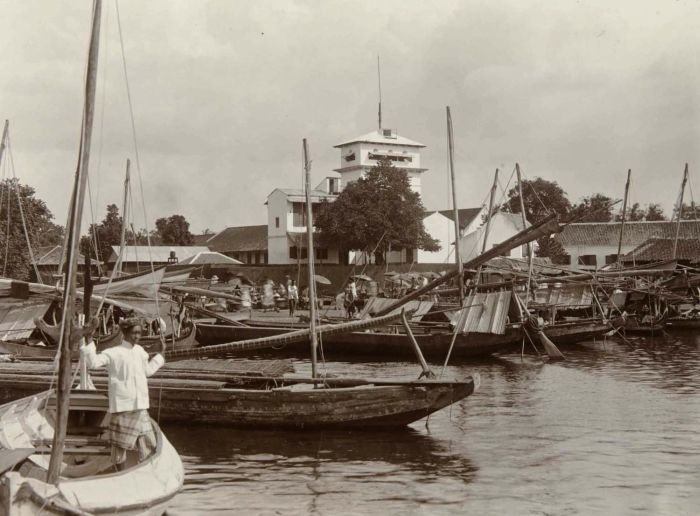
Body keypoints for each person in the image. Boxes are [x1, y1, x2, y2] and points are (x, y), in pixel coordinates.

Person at [80, 317, 166, 469]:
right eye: (134, 333)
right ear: (124, 333)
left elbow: (147, 371)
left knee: (149, 443)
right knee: (120, 448)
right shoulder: (113, 353)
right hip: (122, 407)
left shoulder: (140, 352)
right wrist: (89, 339)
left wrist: (160, 355)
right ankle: (120, 474)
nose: (137, 336)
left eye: (139, 333)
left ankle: (146, 468)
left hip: (140, 406)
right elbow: (93, 363)